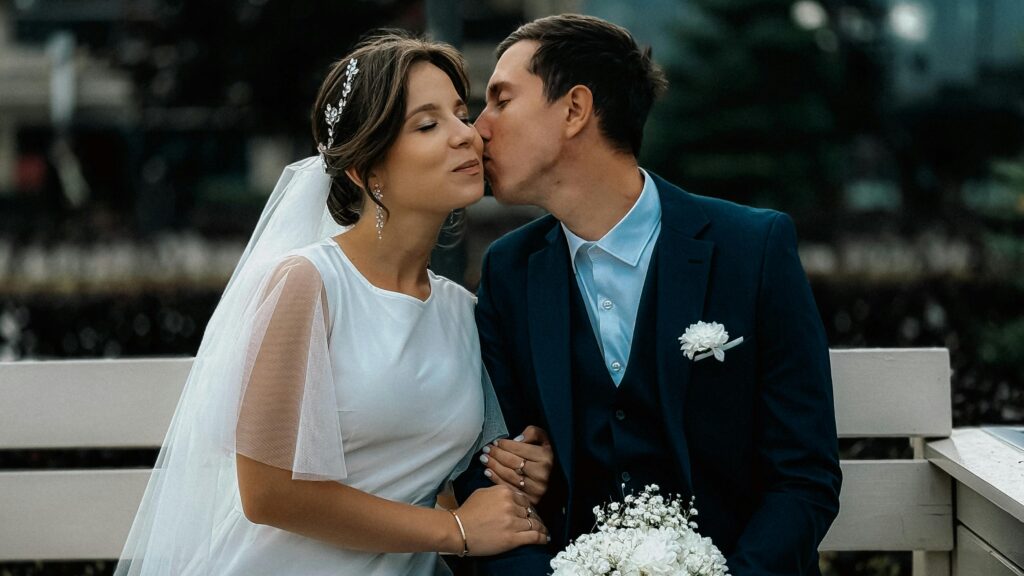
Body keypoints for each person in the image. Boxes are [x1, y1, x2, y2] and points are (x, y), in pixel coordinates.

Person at [115, 31, 550, 576]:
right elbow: (270, 494)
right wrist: (456, 531)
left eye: (461, 115)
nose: (466, 136)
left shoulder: (461, 310)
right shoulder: (308, 284)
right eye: (427, 124)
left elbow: (430, 474)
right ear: (367, 172)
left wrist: (518, 468)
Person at [455, 14, 842, 575]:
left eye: (500, 100)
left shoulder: (751, 250)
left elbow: (803, 477)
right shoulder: (510, 272)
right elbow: (489, 478)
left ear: (574, 110)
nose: (477, 128)